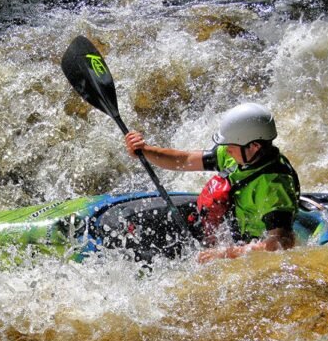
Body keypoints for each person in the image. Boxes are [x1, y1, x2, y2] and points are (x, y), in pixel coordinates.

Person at [124, 102, 300, 262]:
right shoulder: (237, 155)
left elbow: (280, 245)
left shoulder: (274, 188)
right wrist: (145, 150)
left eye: (232, 144)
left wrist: (226, 253)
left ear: (254, 146)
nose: (227, 148)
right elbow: (184, 160)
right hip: (230, 230)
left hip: (248, 248)